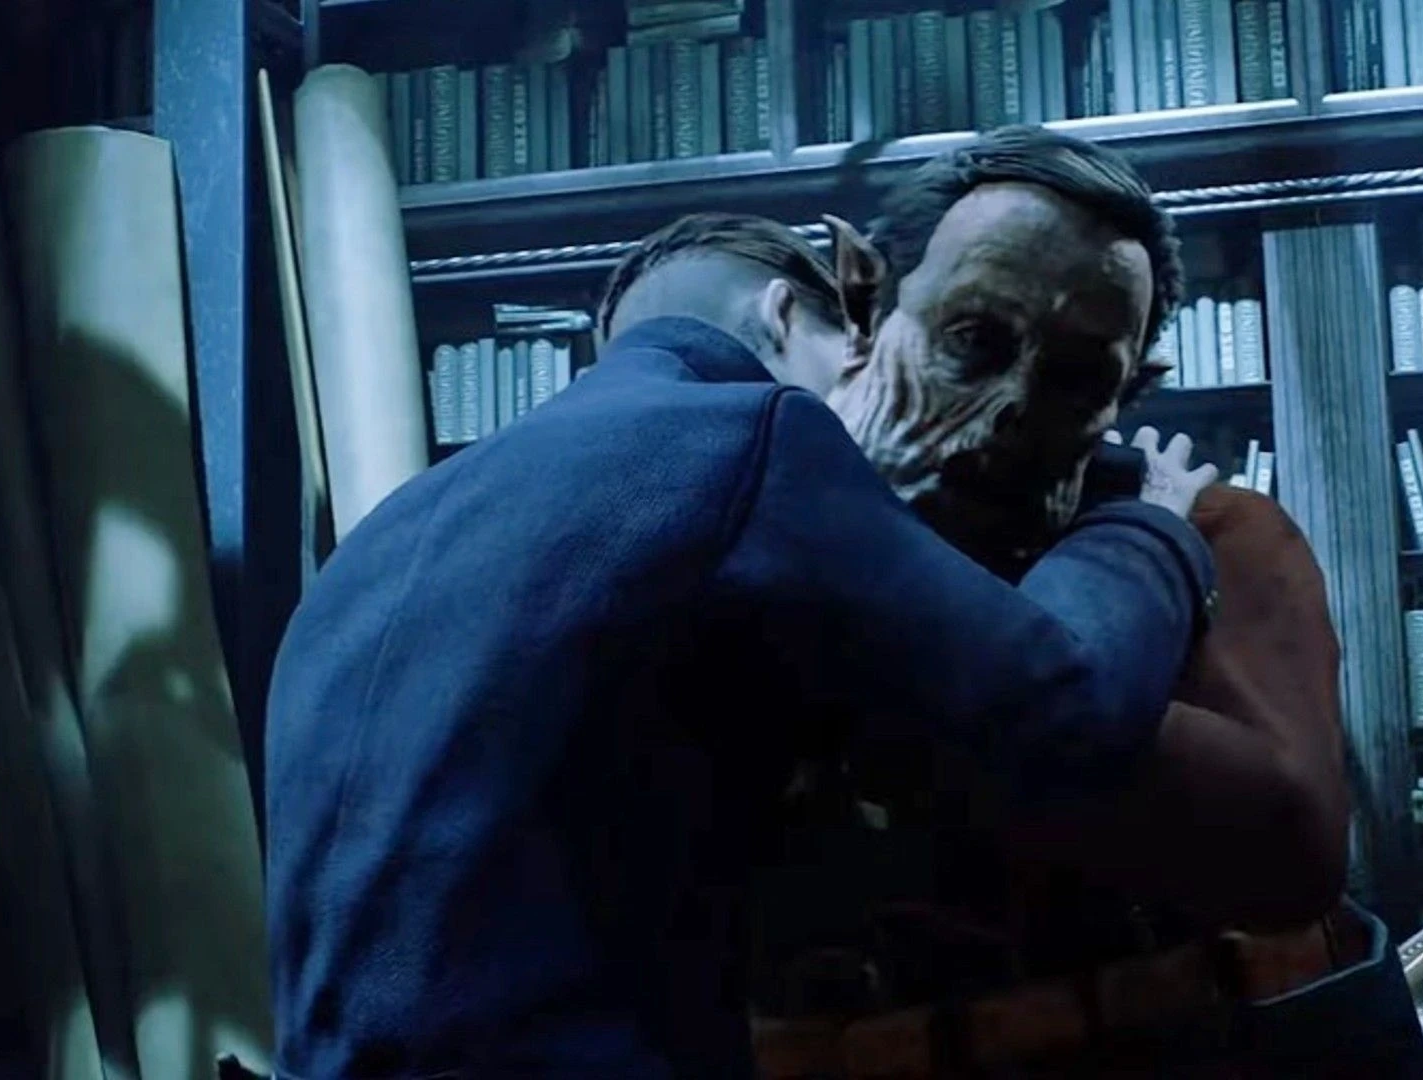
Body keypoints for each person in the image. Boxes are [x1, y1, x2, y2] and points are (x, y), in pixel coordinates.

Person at [261, 211, 1222, 1078]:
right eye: (858, 356)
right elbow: (1068, 702)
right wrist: (1150, 524)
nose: (871, 395)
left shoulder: (380, 538)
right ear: (782, 317)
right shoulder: (753, 432)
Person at [747, 127, 1423, 1077]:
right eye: (971, 341)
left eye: (1077, 378)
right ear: (867, 304)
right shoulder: (759, 538)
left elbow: (1287, 850)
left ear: (1130, 391)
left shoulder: (1217, 535)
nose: (1012, 408)